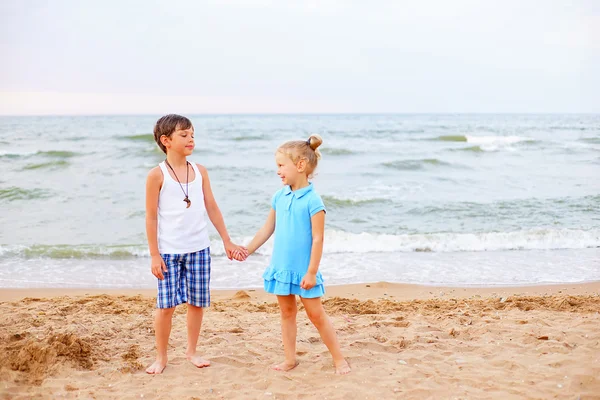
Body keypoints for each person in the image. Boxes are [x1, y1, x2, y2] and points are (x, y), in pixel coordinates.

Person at [234, 134, 351, 375]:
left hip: (304, 269)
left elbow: (318, 238)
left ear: (300, 166)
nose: (277, 171)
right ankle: (290, 359)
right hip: (282, 267)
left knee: (316, 314)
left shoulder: (313, 200)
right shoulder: (279, 196)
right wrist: (248, 249)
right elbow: (267, 228)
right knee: (287, 313)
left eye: (280, 165)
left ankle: (339, 359)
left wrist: (311, 271)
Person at [145, 114, 247, 374]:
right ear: (166, 141)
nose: (191, 139)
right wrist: (154, 255)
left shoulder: (200, 171)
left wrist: (226, 240)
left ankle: (191, 351)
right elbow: (151, 217)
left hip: (199, 249)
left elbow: (211, 206)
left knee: (196, 302)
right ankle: (161, 357)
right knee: (166, 305)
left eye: (192, 134)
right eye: (184, 135)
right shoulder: (156, 175)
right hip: (168, 251)